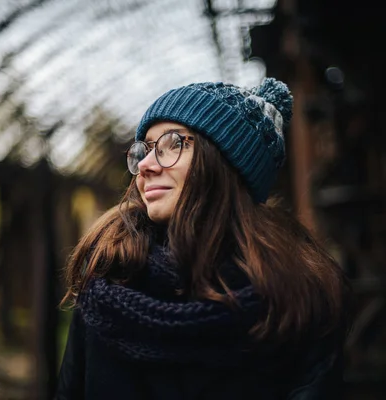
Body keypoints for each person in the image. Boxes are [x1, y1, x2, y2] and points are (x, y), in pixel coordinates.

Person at [55, 78, 352, 399]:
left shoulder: (297, 297)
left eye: (174, 144)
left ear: (227, 163)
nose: (144, 166)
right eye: (146, 149)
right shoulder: (109, 279)